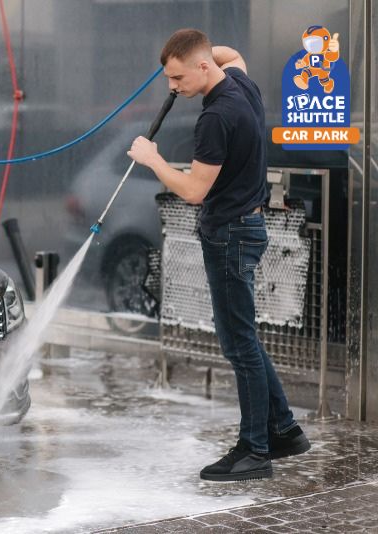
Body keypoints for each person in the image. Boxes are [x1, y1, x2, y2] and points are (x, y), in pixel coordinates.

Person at [127, 28, 311, 482]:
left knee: (239, 345)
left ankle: (255, 451)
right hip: (247, 227)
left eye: (177, 78)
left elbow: (193, 190)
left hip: (229, 236)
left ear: (204, 67)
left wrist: (152, 159)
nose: (172, 87)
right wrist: (193, 53)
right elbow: (234, 53)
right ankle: (284, 429)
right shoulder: (241, 85)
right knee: (244, 337)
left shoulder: (214, 119)